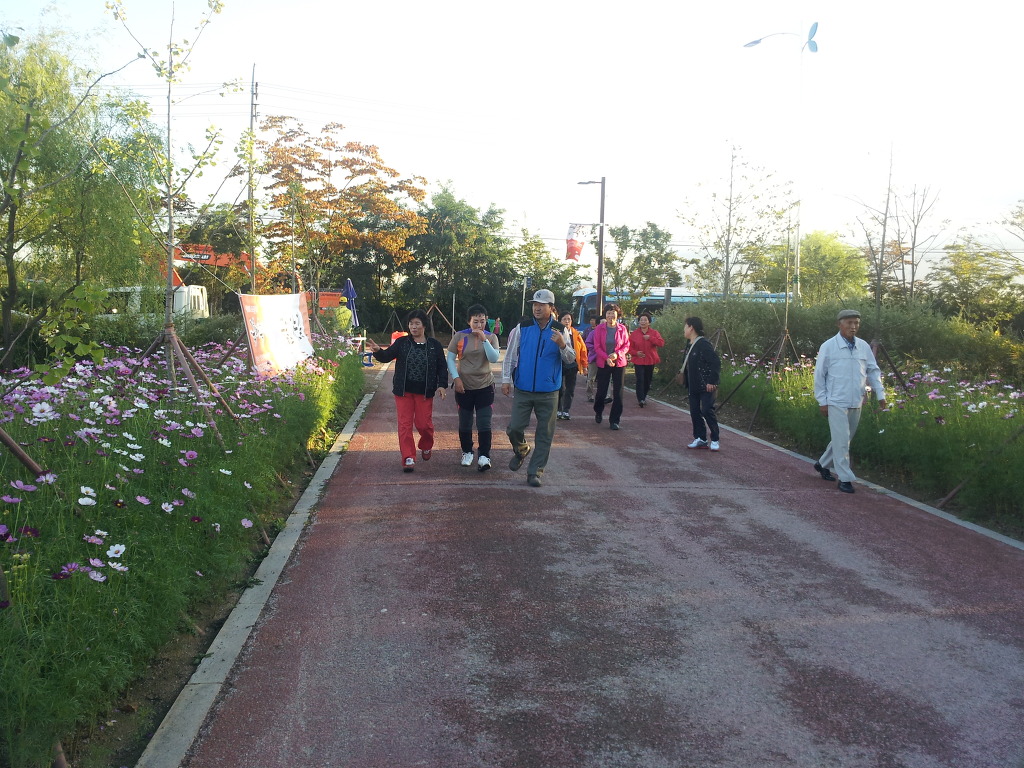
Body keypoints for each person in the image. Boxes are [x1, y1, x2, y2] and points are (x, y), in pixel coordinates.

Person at [501, 289, 576, 487]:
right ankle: (521, 449)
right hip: (523, 388)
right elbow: (511, 355)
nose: (537, 308)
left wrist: (562, 345)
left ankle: (535, 472)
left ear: (551, 308)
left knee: (545, 434)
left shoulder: (560, 330)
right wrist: (506, 379)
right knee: (514, 428)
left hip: (549, 391)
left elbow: (570, 359)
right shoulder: (523, 327)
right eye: (535, 304)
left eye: (541, 305)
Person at [812, 309, 887, 494]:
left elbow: (873, 370)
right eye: (849, 323)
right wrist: (822, 401)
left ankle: (822, 464)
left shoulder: (863, 346)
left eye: (856, 323)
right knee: (842, 441)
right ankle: (845, 478)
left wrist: (880, 393)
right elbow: (819, 375)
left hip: (856, 399)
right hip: (835, 400)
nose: (853, 327)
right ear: (839, 324)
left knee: (844, 439)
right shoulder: (829, 346)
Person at [366, 310, 447, 472]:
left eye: (417, 323)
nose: (413, 327)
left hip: (425, 391)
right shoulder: (402, 342)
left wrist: (442, 385)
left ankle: (426, 444)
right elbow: (387, 356)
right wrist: (377, 351)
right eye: (411, 324)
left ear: (424, 325)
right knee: (405, 425)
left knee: (424, 424)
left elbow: (441, 367)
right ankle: (408, 457)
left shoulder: (434, 345)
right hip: (403, 391)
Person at [447, 304, 501, 471]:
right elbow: (450, 359)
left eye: (482, 321)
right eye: (475, 321)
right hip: (464, 386)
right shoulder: (459, 336)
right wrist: (456, 379)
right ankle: (467, 452)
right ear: (469, 322)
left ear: (486, 321)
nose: (479, 325)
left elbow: (494, 358)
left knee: (484, 422)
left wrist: (484, 340)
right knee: (465, 422)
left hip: (485, 385)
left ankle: (484, 455)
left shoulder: (491, 337)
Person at [674, 316, 721, 451]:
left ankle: (715, 439)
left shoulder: (703, 344)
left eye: (685, 326)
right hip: (693, 385)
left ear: (691, 327)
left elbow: (715, 362)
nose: (684, 329)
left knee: (706, 410)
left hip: (706, 385)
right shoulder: (689, 344)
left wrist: (712, 381)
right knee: (694, 412)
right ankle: (700, 438)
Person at [592, 303, 630, 430]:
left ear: (617, 315)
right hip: (604, 362)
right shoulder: (599, 329)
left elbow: (626, 345)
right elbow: (597, 346)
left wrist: (617, 354)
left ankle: (614, 420)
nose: (610, 315)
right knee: (601, 391)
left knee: (618, 392)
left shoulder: (622, 329)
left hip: (619, 363)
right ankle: (598, 411)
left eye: (613, 313)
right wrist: (606, 358)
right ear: (605, 315)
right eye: (608, 313)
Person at [628, 311, 665, 407]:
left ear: (649, 322)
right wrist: (636, 353)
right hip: (638, 360)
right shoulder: (634, 334)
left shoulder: (654, 333)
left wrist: (650, 338)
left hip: (650, 360)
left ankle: (644, 396)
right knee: (640, 379)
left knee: (647, 380)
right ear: (638, 322)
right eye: (641, 320)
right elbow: (629, 347)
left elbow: (661, 343)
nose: (643, 322)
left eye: (645, 320)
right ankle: (640, 398)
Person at [557, 310, 588, 420]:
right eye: (564, 319)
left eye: (569, 319)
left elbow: (583, 350)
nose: (567, 321)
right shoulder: (557, 333)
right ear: (560, 321)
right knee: (560, 388)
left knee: (570, 388)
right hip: (559, 364)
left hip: (573, 364)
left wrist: (584, 366)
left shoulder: (576, 334)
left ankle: (566, 410)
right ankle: (558, 409)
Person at [583, 315, 599, 402]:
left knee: (605, 379)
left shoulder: (609, 333)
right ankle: (590, 395)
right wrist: (596, 349)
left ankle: (606, 396)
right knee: (591, 378)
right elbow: (587, 342)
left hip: (605, 359)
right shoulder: (591, 332)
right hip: (593, 358)